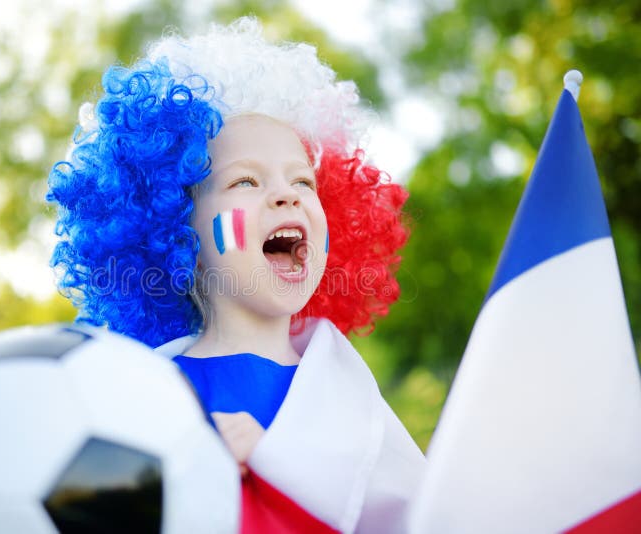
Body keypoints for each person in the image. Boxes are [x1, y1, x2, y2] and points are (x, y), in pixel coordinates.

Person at [47, 18, 425, 533]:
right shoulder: (143, 396)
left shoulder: (356, 401)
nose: (287, 194)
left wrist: (281, 468)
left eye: (303, 181)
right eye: (246, 180)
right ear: (178, 231)